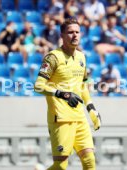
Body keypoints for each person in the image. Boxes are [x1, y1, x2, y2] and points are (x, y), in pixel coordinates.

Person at [34, 18, 101, 170]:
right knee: (61, 166)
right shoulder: (53, 57)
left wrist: (91, 107)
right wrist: (62, 94)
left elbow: (82, 85)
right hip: (61, 118)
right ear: (62, 36)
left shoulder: (81, 57)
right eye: (70, 32)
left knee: (90, 161)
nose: (74, 35)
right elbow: (38, 86)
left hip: (79, 117)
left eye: (77, 32)